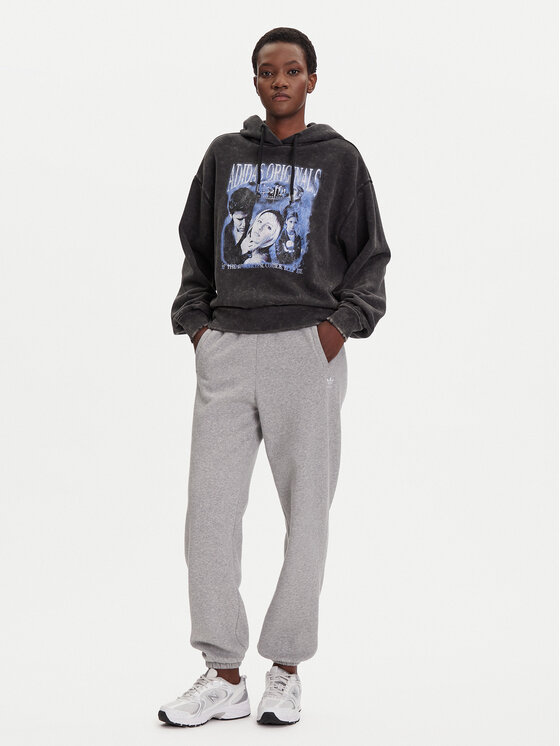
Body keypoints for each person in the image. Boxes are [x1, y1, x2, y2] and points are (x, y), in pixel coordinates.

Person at [158, 26, 391, 728]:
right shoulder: (224, 155)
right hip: (228, 348)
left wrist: (336, 330)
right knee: (209, 512)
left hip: (305, 350)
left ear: (311, 80)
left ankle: (286, 669)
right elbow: (196, 247)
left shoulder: (340, 160)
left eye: (292, 70)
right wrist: (198, 327)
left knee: (306, 514)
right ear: (255, 80)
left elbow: (370, 257)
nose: (279, 80)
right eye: (267, 70)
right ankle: (224, 673)